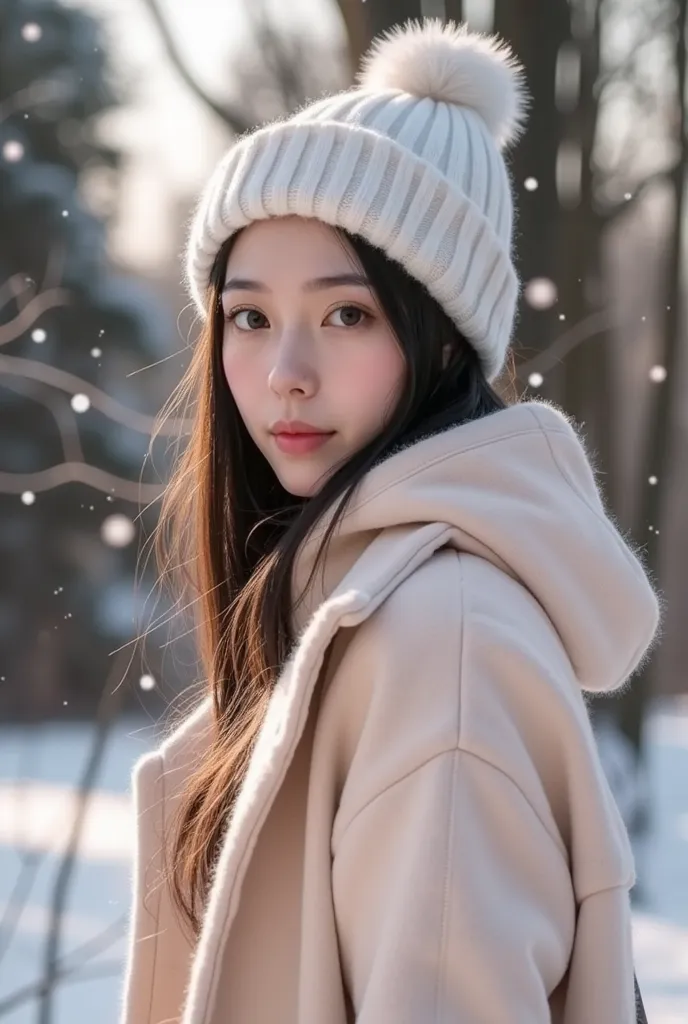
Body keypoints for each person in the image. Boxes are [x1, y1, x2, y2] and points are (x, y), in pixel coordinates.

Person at [120, 19, 661, 1024]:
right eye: (249, 315)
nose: (284, 371)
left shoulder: (438, 647)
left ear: (445, 343)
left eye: (346, 314)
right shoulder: (356, 623)